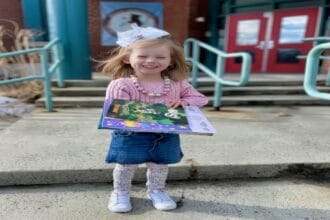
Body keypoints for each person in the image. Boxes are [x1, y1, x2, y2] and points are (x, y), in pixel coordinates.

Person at [101, 24, 208, 213]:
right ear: (127, 58)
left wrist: (183, 101)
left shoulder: (177, 84)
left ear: (171, 60)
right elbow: (117, 111)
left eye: (160, 57)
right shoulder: (121, 84)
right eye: (142, 56)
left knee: (159, 165)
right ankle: (120, 192)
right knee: (125, 166)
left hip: (165, 134)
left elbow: (200, 98)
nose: (151, 60)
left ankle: (157, 191)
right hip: (130, 134)